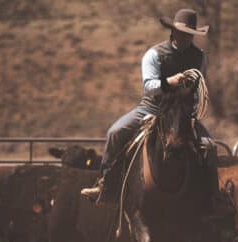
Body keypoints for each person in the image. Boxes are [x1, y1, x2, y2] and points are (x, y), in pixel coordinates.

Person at [81, 8, 215, 205]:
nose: (186, 37)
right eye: (183, 33)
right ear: (173, 32)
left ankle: (212, 196)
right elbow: (149, 88)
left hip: (182, 113)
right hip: (152, 108)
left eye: (190, 34)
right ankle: (106, 185)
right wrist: (170, 81)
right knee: (115, 132)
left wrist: (191, 108)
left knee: (209, 146)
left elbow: (198, 87)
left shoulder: (200, 57)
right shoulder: (154, 55)